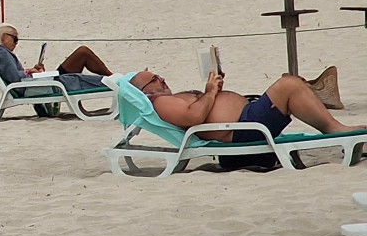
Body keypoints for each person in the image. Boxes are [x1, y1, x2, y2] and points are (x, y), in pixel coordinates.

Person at [132, 67, 359, 155]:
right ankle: (333, 128)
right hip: (243, 128)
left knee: (290, 84)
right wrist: (210, 92)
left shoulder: (167, 99)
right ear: (145, 91)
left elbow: (199, 110)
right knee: (288, 85)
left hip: (245, 121)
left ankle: (332, 125)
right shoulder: (158, 101)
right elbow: (194, 116)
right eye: (154, 78)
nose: (162, 78)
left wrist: (213, 91)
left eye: (160, 75)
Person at [0, 25, 111, 95]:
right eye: (15, 39)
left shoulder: (1, 54)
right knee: (82, 54)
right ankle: (113, 80)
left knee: (82, 53)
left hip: (42, 83)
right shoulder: (2, 54)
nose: (16, 44)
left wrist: (32, 71)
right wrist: (33, 74)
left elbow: (14, 75)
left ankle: (112, 78)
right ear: (5, 37)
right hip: (42, 86)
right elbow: (16, 80)